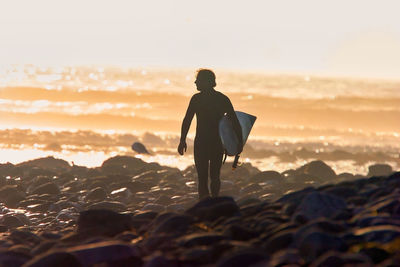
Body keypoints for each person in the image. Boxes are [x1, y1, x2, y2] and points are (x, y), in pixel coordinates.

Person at [178, 69, 243, 199]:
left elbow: (187, 120)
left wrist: (182, 140)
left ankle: (205, 203)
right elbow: (235, 122)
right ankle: (214, 201)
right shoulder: (222, 99)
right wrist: (239, 142)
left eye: (198, 80)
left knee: (202, 178)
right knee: (215, 176)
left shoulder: (197, 99)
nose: (195, 82)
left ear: (207, 82)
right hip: (216, 143)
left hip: (202, 142)